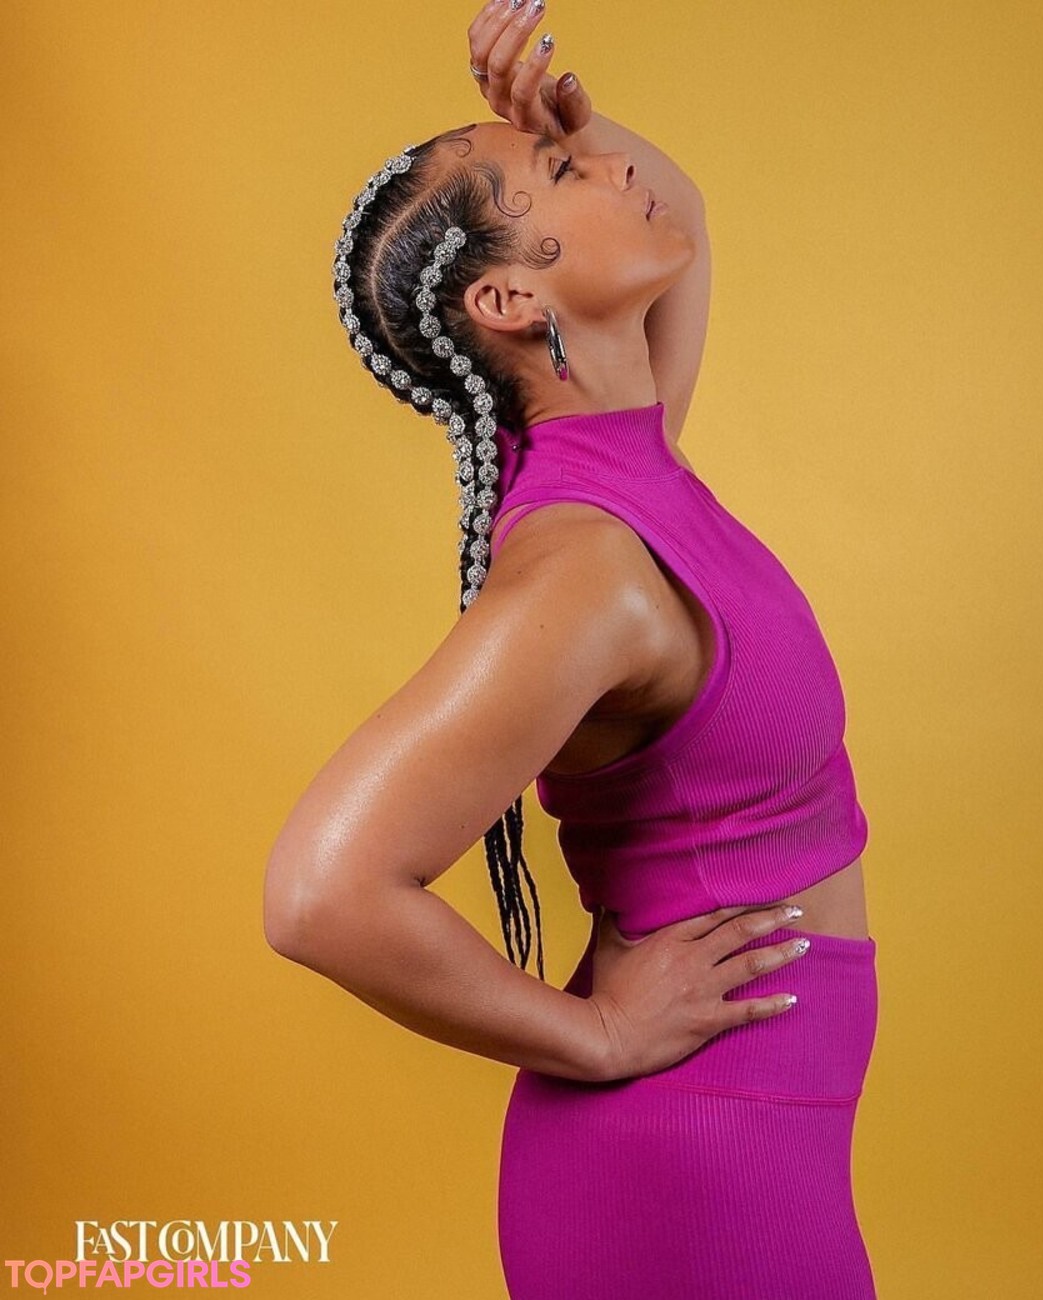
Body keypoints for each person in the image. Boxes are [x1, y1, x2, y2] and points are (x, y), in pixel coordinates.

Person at [263, 2, 879, 1296]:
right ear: (507, 298)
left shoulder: (635, 461)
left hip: (760, 1129)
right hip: (693, 1167)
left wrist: (564, 122)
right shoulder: (587, 569)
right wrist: (594, 1034)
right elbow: (321, 893)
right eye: (562, 172)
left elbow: (681, 206)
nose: (610, 167)